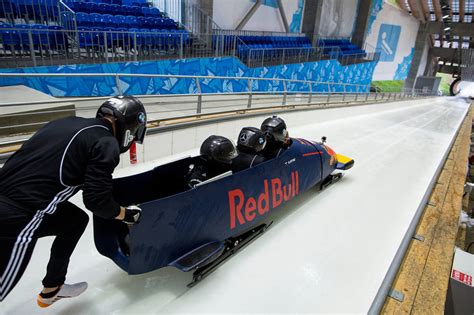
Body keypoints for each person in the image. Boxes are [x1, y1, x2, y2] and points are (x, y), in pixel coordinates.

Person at [0, 96, 147, 307]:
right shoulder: (107, 143)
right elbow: (97, 202)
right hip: (19, 214)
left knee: (74, 220)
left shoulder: (65, 122)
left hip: (11, 194)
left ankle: (53, 287)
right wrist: (126, 215)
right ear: (131, 128)